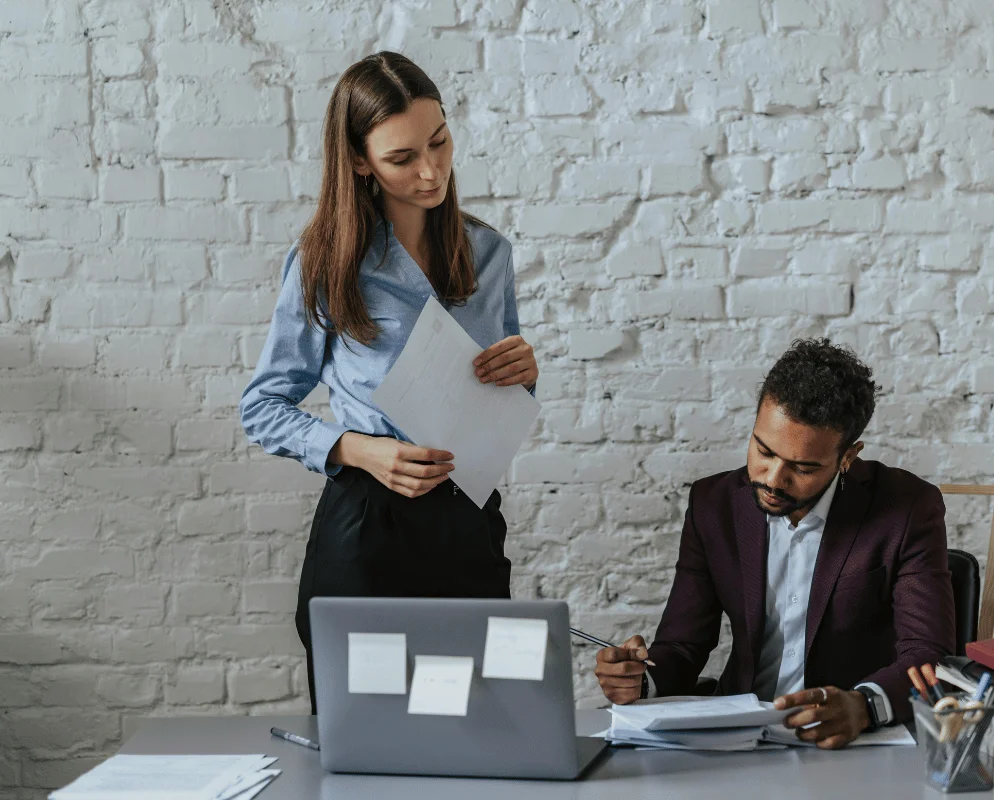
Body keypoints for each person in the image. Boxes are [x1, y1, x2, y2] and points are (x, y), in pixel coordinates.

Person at [239, 52, 538, 713]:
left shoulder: (490, 254)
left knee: (481, 733)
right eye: (403, 158)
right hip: (366, 529)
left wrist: (524, 375)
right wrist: (359, 449)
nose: (431, 171)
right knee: (364, 741)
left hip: (468, 523)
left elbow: (501, 396)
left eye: (440, 142)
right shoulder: (324, 261)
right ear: (359, 162)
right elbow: (262, 406)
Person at [594, 338, 954, 748]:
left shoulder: (906, 507)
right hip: (739, 738)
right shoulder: (713, 505)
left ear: (848, 457)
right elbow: (683, 645)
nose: (772, 479)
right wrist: (641, 681)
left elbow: (929, 653)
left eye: (803, 467)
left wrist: (865, 706)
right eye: (763, 450)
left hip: (852, 742)